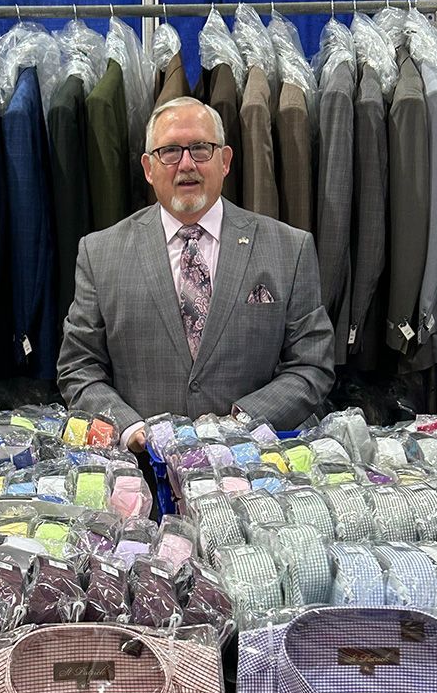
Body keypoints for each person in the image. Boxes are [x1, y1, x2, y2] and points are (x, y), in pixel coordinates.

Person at [57, 96, 334, 451]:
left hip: (253, 476)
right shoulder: (99, 253)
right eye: (170, 151)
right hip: (142, 479)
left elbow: (313, 365)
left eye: (201, 148)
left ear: (225, 161)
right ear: (148, 167)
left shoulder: (288, 248)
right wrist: (129, 429)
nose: (186, 164)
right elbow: (78, 367)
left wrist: (241, 424)